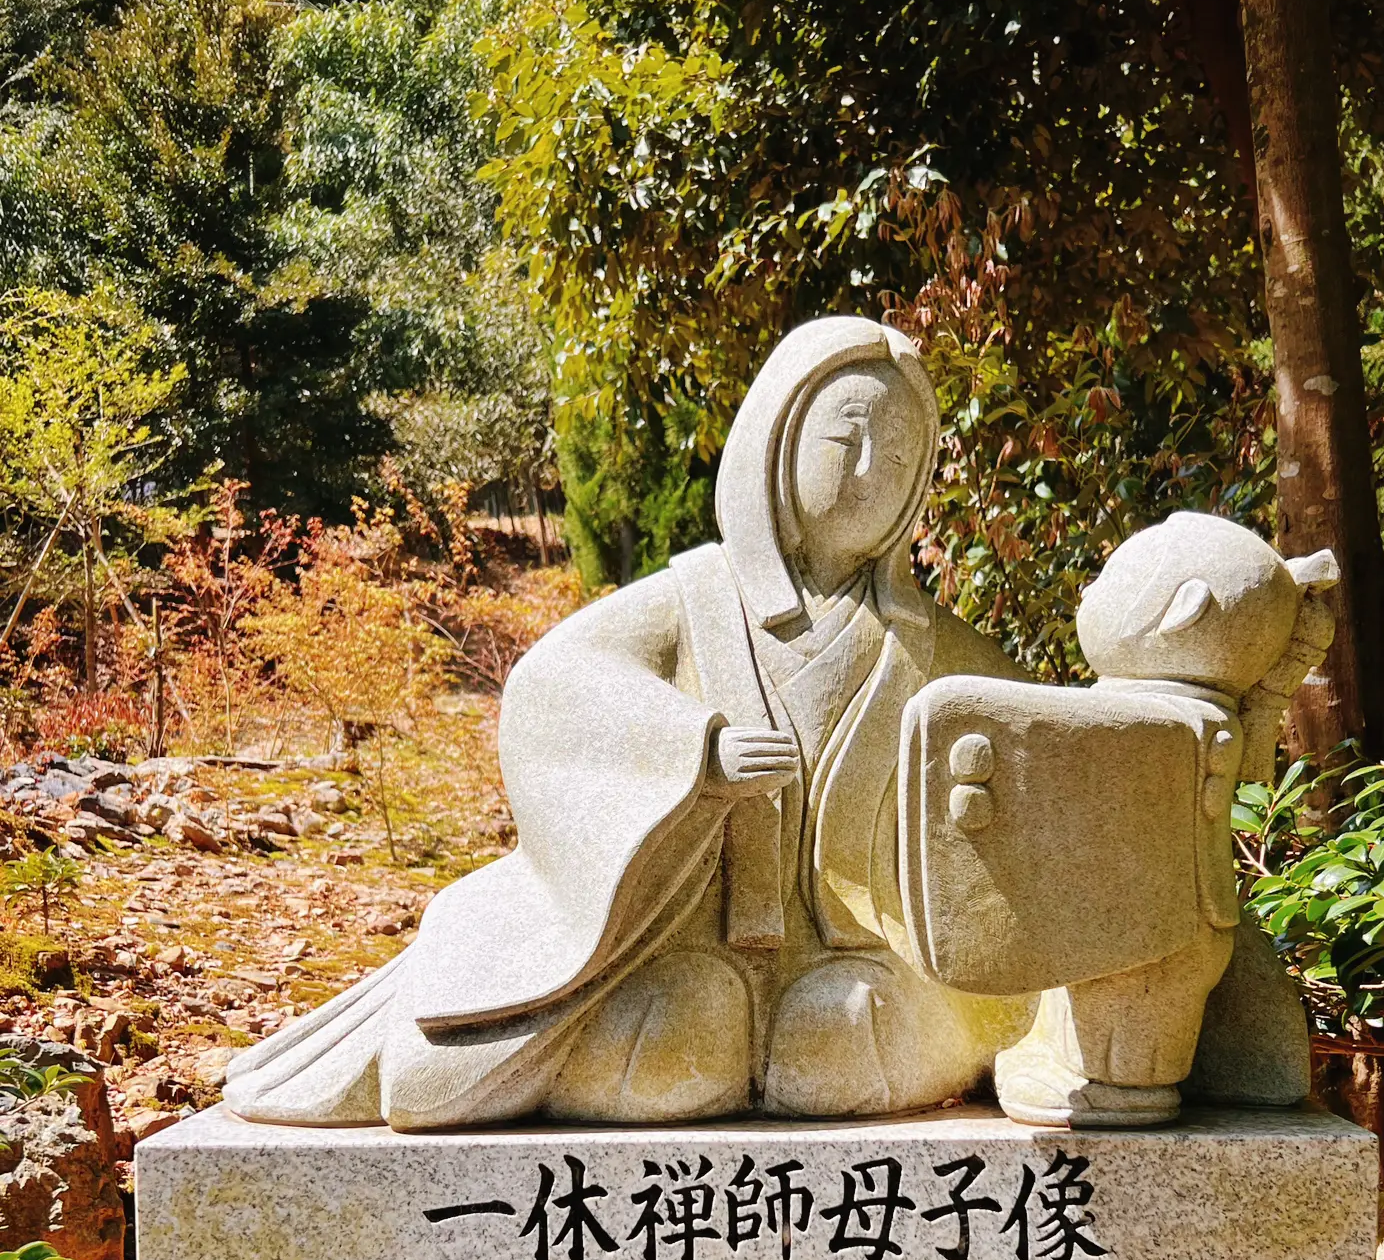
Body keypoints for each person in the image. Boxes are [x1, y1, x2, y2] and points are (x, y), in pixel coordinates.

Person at [225, 317, 1034, 1130]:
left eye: (897, 457)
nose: (869, 473)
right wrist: (695, 750)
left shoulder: (927, 643)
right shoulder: (700, 600)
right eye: (844, 440)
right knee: (670, 1043)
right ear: (776, 442)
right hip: (681, 943)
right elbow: (558, 685)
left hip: (863, 959)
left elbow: (1033, 739)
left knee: (847, 1042)